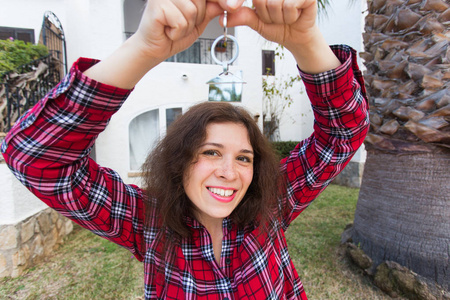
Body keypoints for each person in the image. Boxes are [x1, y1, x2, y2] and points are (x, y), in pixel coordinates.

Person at [1, 0, 369, 298]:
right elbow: (36, 159)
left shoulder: (272, 202)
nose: (229, 172)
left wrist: (304, 41)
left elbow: (342, 134)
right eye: (210, 152)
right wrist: (144, 50)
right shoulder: (145, 221)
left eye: (244, 158)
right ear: (180, 162)